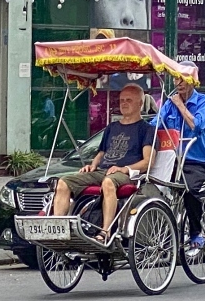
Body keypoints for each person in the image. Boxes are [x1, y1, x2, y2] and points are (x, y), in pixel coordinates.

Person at [51, 85, 154, 241]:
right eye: (121, 100)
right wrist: (92, 165)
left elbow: (148, 162)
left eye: (129, 100)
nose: (124, 103)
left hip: (127, 174)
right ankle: (57, 231)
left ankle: (105, 232)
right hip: (103, 170)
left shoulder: (146, 129)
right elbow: (101, 153)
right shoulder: (112, 127)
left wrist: (124, 168)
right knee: (64, 182)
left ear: (140, 104)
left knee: (108, 182)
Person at [158, 76, 205, 256]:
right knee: (151, 185)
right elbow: (155, 125)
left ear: (193, 81)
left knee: (189, 190)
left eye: (182, 80)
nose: (178, 83)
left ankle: (196, 234)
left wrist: (181, 106)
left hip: (196, 160)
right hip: (171, 159)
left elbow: (196, 126)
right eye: (175, 80)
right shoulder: (169, 103)